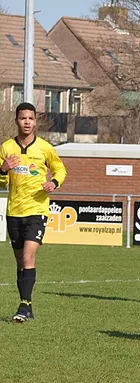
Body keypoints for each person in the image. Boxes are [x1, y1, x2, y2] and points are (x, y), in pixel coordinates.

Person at [0, 102, 67, 322]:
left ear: (35, 121)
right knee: (20, 262)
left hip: (37, 210)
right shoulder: (6, 148)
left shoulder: (45, 148)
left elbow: (60, 169)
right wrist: (3, 170)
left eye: (30, 118)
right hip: (14, 212)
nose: (27, 122)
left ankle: (24, 304)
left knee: (29, 257)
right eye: (22, 118)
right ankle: (27, 306)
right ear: (16, 121)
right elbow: (1, 184)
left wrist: (54, 182)